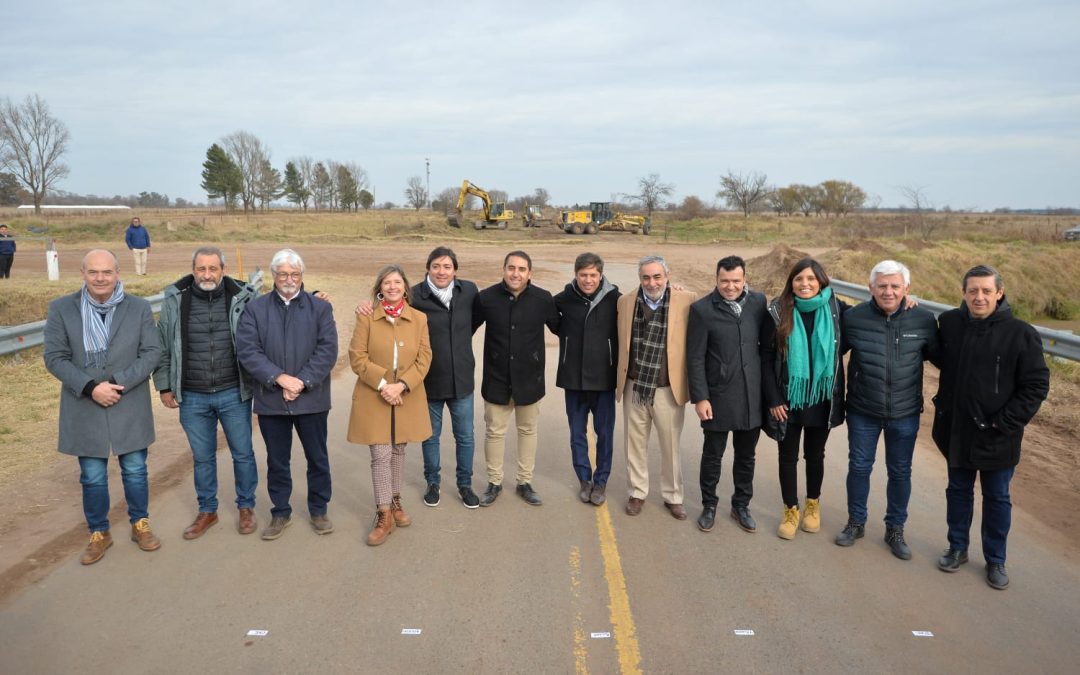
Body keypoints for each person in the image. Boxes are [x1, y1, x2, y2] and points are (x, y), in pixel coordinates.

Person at [932, 265, 1049, 590]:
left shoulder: (1021, 333)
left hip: (999, 435)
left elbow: (1036, 385)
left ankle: (996, 560)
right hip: (956, 431)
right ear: (964, 293)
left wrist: (1004, 422)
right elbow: (935, 353)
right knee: (957, 492)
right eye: (973, 291)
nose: (979, 297)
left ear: (999, 293)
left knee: (997, 498)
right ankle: (957, 548)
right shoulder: (951, 324)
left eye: (986, 291)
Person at [43, 249, 162, 564]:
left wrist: (118, 382)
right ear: (82, 273)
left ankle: (140, 524)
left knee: (135, 470)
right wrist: (91, 387)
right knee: (92, 475)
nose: (100, 278)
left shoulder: (138, 308)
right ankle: (99, 532)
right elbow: (54, 357)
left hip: (128, 401)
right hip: (85, 404)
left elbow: (151, 352)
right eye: (93, 271)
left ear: (117, 273)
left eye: (106, 272)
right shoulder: (61, 309)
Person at [154, 246, 259, 539]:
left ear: (223, 270)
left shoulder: (243, 296)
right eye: (201, 269)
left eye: (213, 268)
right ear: (193, 269)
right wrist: (164, 385)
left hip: (233, 392)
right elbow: (163, 344)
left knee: (243, 454)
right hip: (192, 395)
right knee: (202, 457)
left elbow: (275, 311)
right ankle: (207, 510)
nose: (207, 274)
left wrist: (314, 296)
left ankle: (246, 507)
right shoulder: (176, 298)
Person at [836, 260, 938, 559]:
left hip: (905, 412)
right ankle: (856, 522)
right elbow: (830, 351)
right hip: (862, 409)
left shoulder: (923, 320)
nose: (888, 291)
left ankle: (895, 529)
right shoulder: (853, 318)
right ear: (870, 288)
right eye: (882, 285)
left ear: (907, 288)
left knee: (900, 472)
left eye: (895, 286)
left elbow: (944, 358)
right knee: (859, 468)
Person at [236, 249, 338, 540]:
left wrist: (302, 382)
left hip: (312, 399)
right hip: (272, 400)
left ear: (302, 276)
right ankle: (280, 512)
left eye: (294, 274)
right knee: (277, 460)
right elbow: (248, 350)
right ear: (274, 276)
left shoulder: (320, 308)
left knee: (317, 457)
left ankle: (318, 509)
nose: (289, 279)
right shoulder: (256, 309)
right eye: (283, 274)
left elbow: (327, 350)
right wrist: (279, 379)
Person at [762, 258, 848, 540]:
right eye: (799, 279)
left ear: (821, 281)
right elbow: (765, 357)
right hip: (788, 397)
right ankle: (790, 509)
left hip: (821, 397)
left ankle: (813, 504)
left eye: (811, 279)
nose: (805, 284)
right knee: (787, 457)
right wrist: (774, 398)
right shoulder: (777, 311)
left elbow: (873, 314)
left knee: (815, 455)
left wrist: (906, 301)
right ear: (791, 282)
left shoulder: (836, 310)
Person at [348, 265, 432, 546]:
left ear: (406, 288)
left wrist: (402, 385)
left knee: (398, 449)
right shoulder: (367, 317)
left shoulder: (419, 319)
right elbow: (357, 357)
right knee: (380, 453)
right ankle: (383, 513)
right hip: (376, 395)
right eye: (387, 283)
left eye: (397, 282)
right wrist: (385, 386)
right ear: (379, 288)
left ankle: (396, 501)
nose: (392, 287)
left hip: (406, 395)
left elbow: (424, 358)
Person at [472, 250, 560, 506]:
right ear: (503, 269)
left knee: (528, 430)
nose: (516, 273)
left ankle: (524, 482)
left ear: (530, 273)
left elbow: (562, 326)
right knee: (495, 432)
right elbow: (464, 327)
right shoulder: (486, 298)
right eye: (511, 268)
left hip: (529, 380)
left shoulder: (543, 299)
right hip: (496, 379)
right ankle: (494, 482)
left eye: (522, 269)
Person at [687, 256, 767, 533]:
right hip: (718, 396)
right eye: (724, 281)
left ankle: (741, 506)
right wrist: (700, 397)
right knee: (713, 456)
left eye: (736, 281)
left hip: (751, 396)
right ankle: (709, 505)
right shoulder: (702, 310)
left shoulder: (758, 303)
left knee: (746, 457)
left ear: (745, 280)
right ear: (716, 280)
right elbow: (695, 357)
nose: (730, 286)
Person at [617, 255, 694, 519]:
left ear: (667, 276)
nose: (652, 282)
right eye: (646, 277)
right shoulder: (625, 302)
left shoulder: (686, 300)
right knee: (634, 444)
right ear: (639, 278)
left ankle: (673, 496)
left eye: (657, 276)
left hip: (667, 389)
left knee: (670, 445)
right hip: (635, 386)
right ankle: (637, 492)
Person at [410, 247, 481, 508]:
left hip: (462, 379)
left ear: (455, 270)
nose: (442, 271)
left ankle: (465, 484)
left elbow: (475, 321)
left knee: (465, 436)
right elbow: (388, 304)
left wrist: (457, 342)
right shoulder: (414, 295)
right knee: (431, 436)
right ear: (428, 268)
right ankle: (433, 482)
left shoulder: (469, 291)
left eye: (447, 266)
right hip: (429, 380)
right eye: (436, 266)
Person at [554, 252, 620, 506]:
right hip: (573, 379)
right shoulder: (563, 298)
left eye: (593, 275)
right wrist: (569, 339)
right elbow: (551, 320)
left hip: (604, 379)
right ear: (576, 275)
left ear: (601, 275)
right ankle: (584, 479)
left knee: (604, 434)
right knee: (577, 434)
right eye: (583, 275)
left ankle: (601, 481)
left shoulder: (616, 298)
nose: (588, 280)